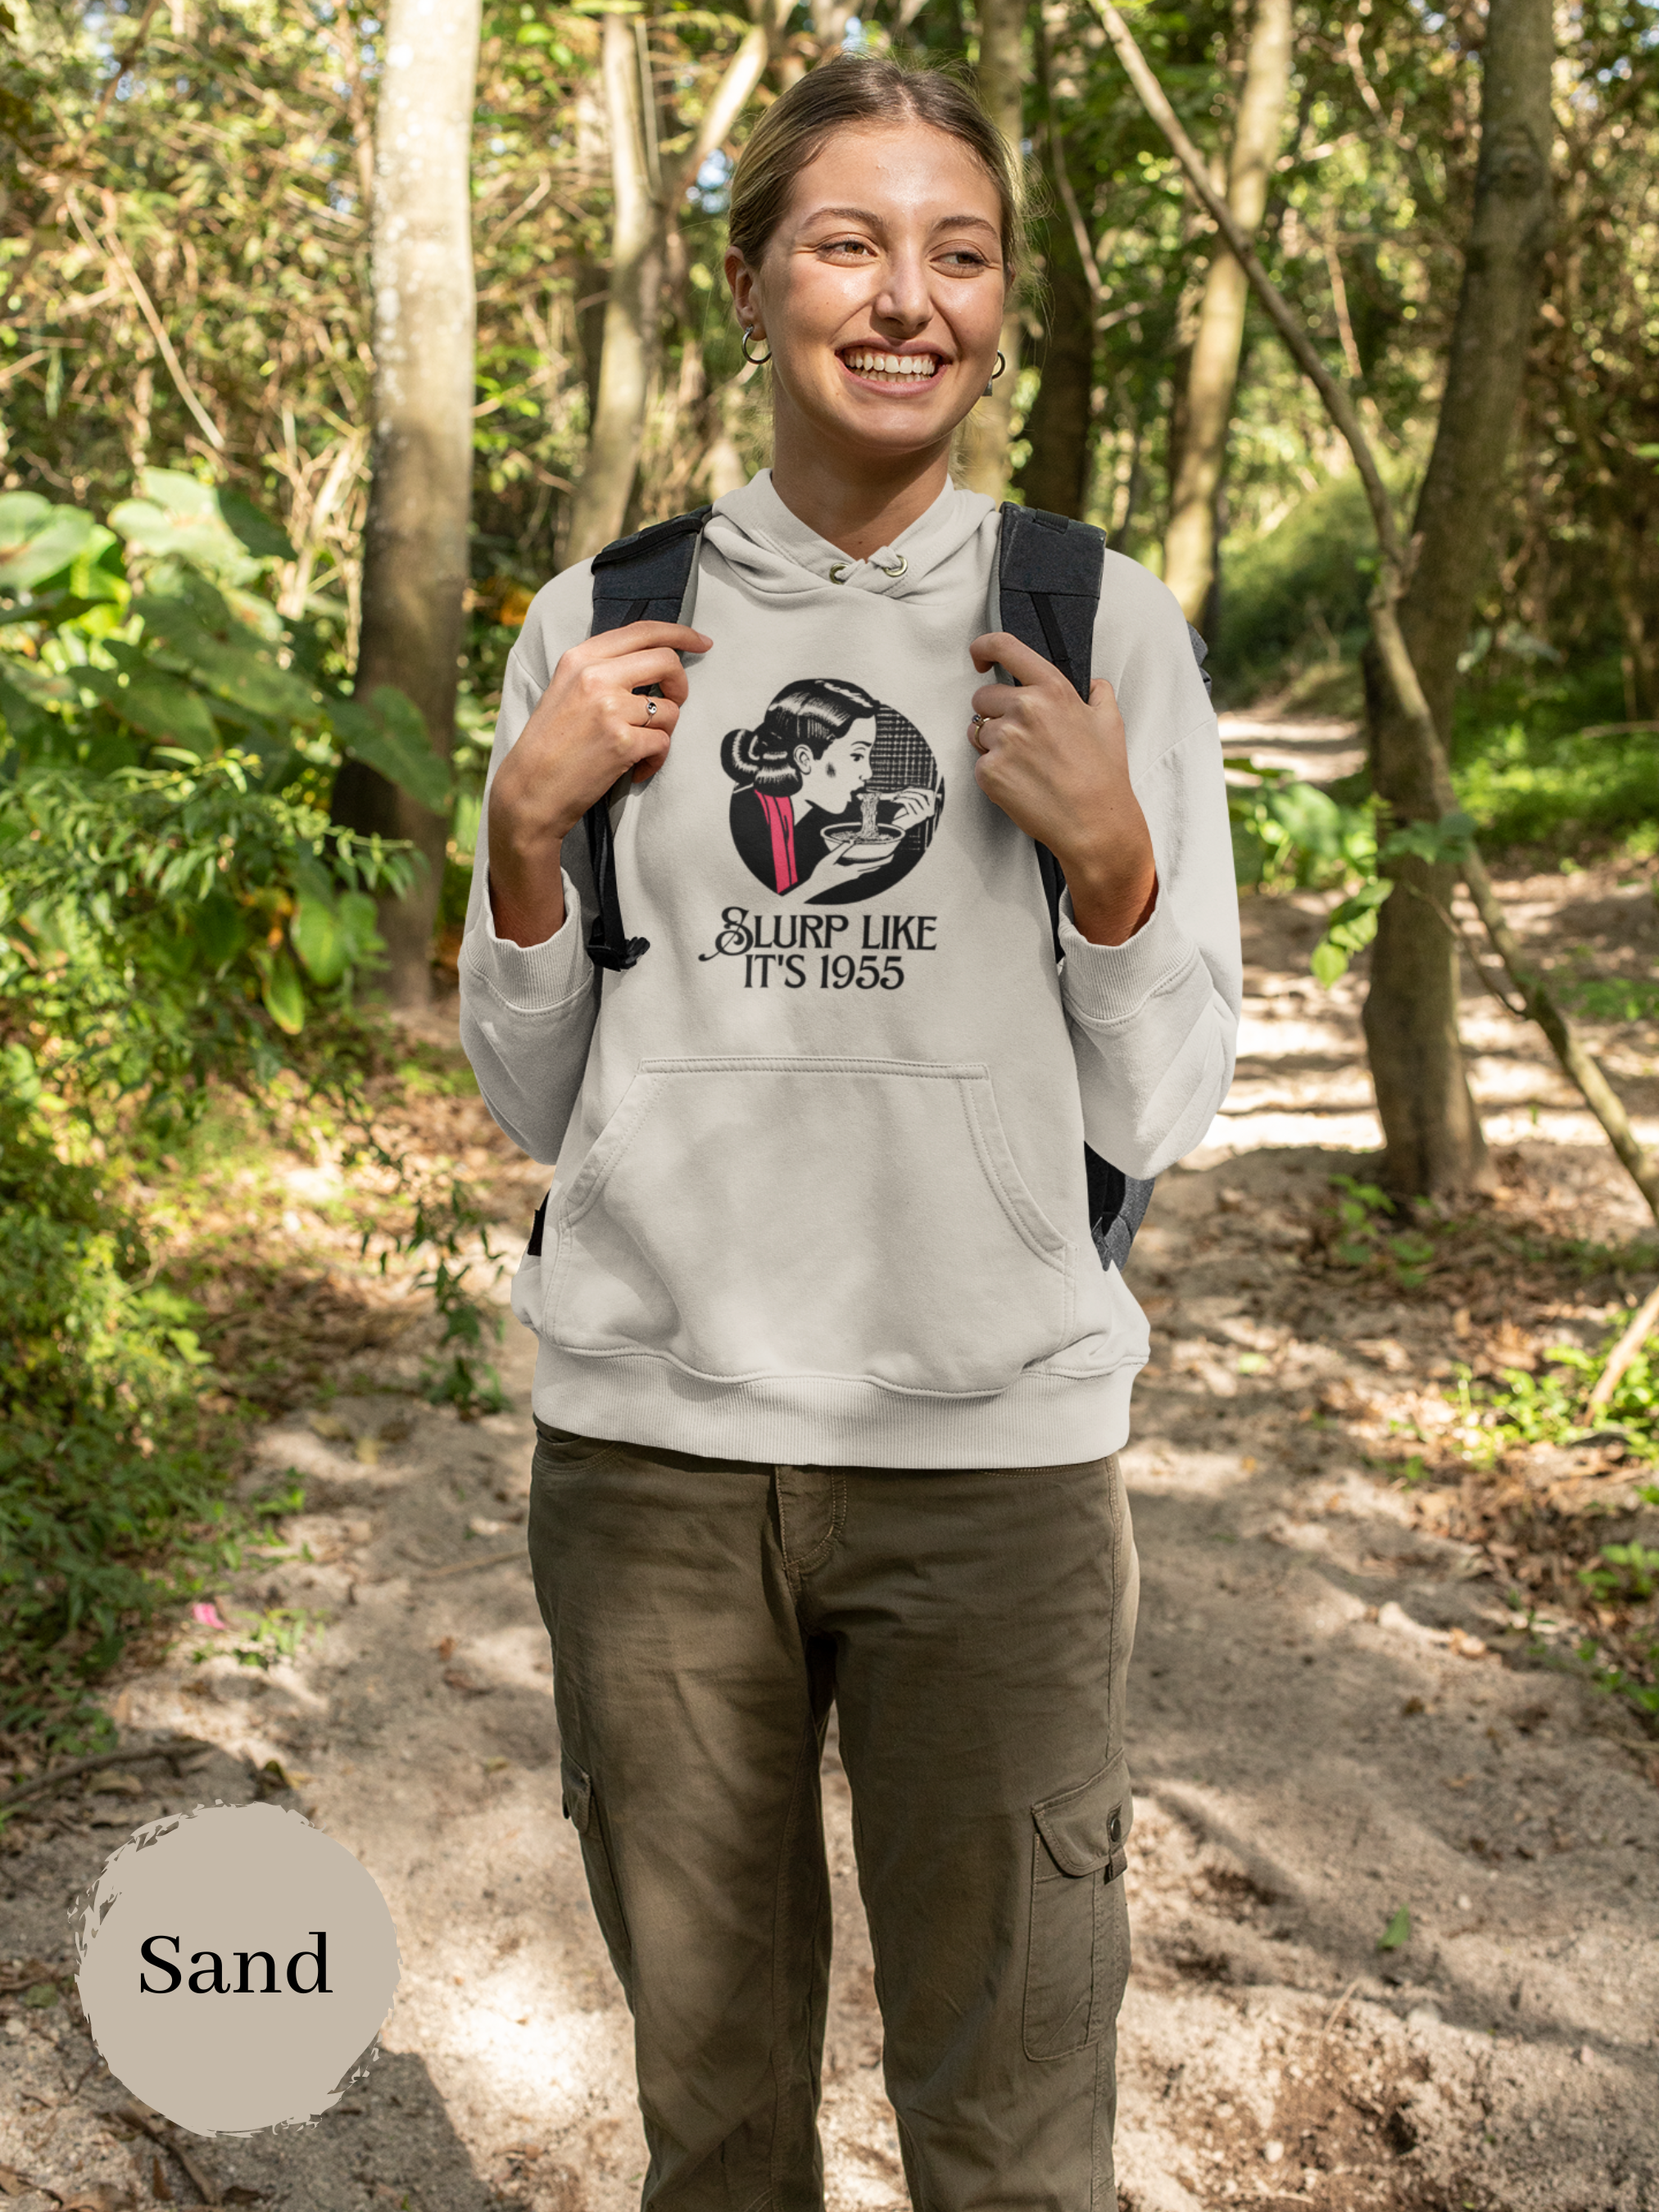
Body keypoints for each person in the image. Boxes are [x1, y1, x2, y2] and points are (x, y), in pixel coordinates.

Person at [460, 50, 1240, 2212]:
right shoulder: (608, 623)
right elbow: (536, 1087)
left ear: (999, 306)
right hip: (653, 1474)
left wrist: (1114, 866)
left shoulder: (1097, 626)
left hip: (990, 1477)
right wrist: (526, 831)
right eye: (850, 240)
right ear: (751, 278)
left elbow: (1168, 1098)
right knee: (714, 2135)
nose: (911, 298)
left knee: (1012, 2141)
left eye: (961, 254)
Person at [721, 674, 939, 899]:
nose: (868, 773)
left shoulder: (810, 818)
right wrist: (818, 885)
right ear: (805, 759)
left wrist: (899, 825)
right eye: (857, 755)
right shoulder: (747, 814)